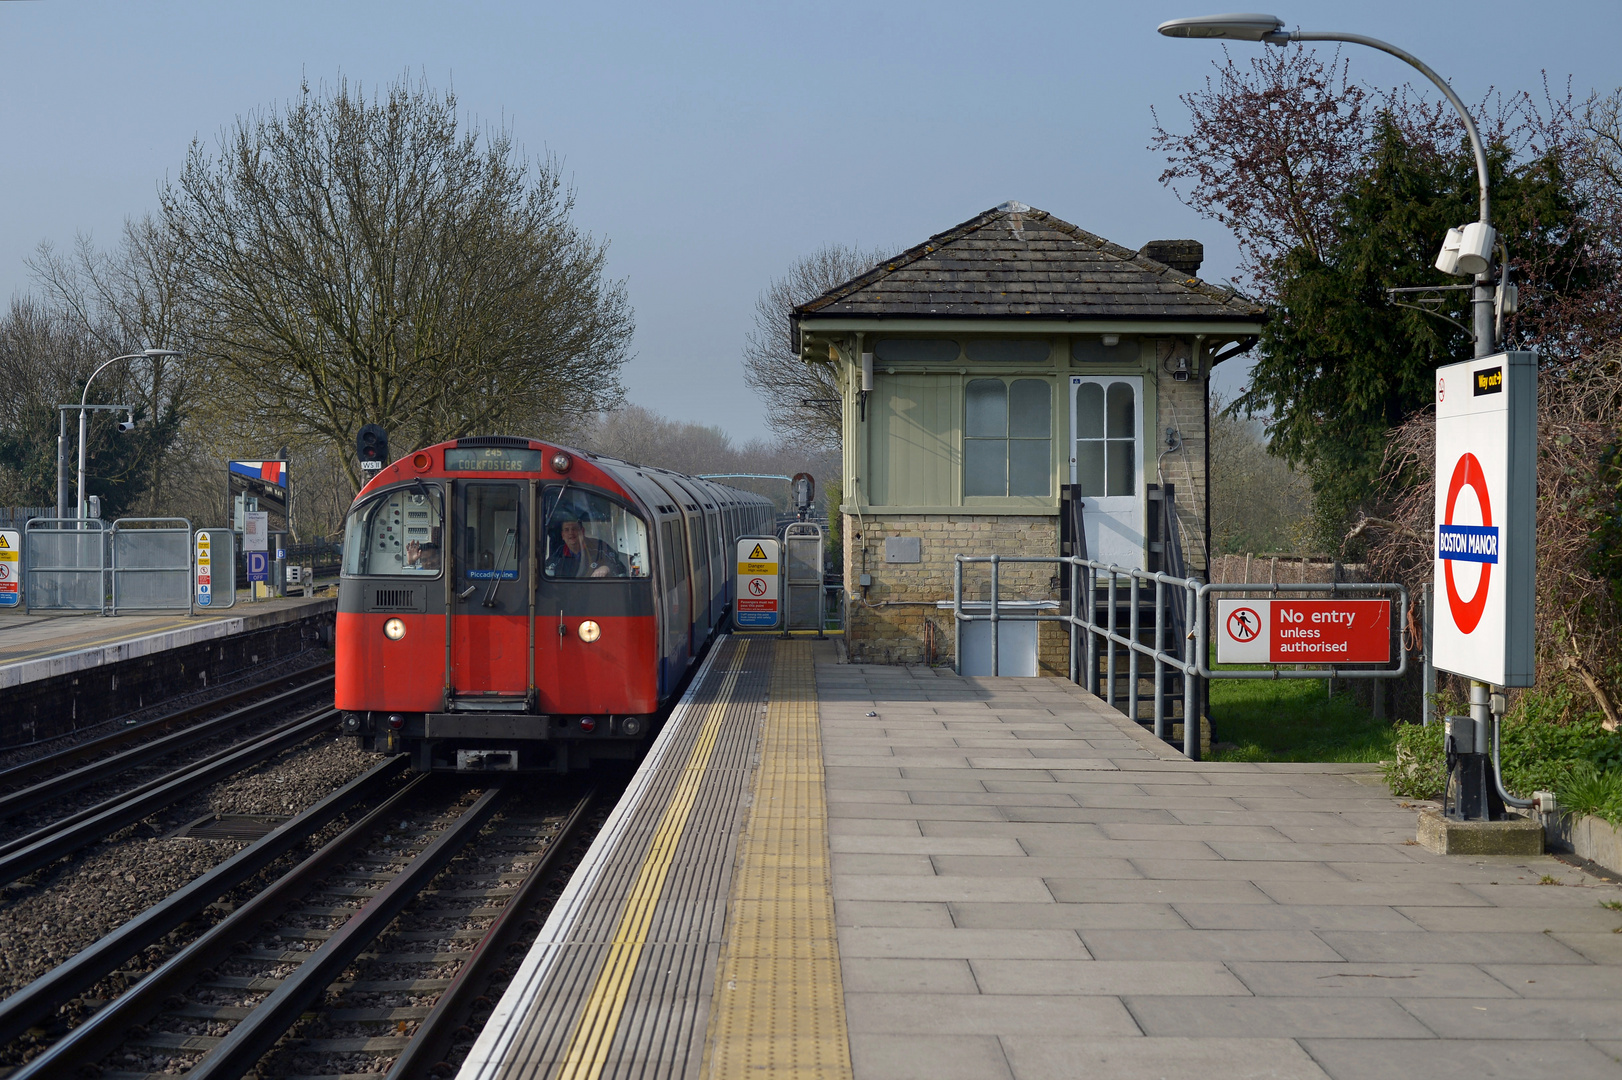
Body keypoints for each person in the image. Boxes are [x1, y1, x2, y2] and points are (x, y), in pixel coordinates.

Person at [547, 513, 626, 578]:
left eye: (574, 529)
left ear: (582, 531)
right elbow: (547, 569)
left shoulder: (599, 547)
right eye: (567, 530)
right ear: (563, 535)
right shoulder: (559, 553)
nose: (571, 533)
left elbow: (620, 567)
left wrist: (607, 568)